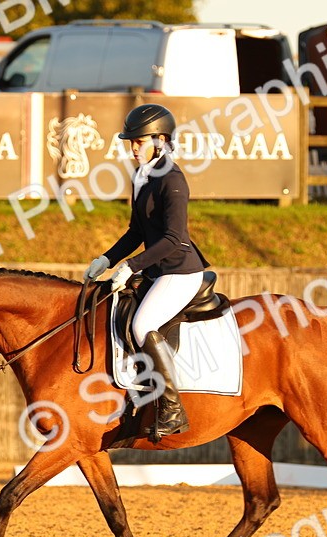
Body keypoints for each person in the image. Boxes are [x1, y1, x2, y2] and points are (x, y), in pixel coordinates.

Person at [84, 104, 209, 439]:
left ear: (161, 139)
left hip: (180, 272)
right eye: (131, 141)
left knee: (142, 325)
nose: (133, 146)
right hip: (156, 270)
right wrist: (107, 259)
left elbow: (173, 239)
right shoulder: (142, 177)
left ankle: (172, 410)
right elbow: (136, 232)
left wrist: (131, 265)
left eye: (139, 140)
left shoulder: (172, 179)